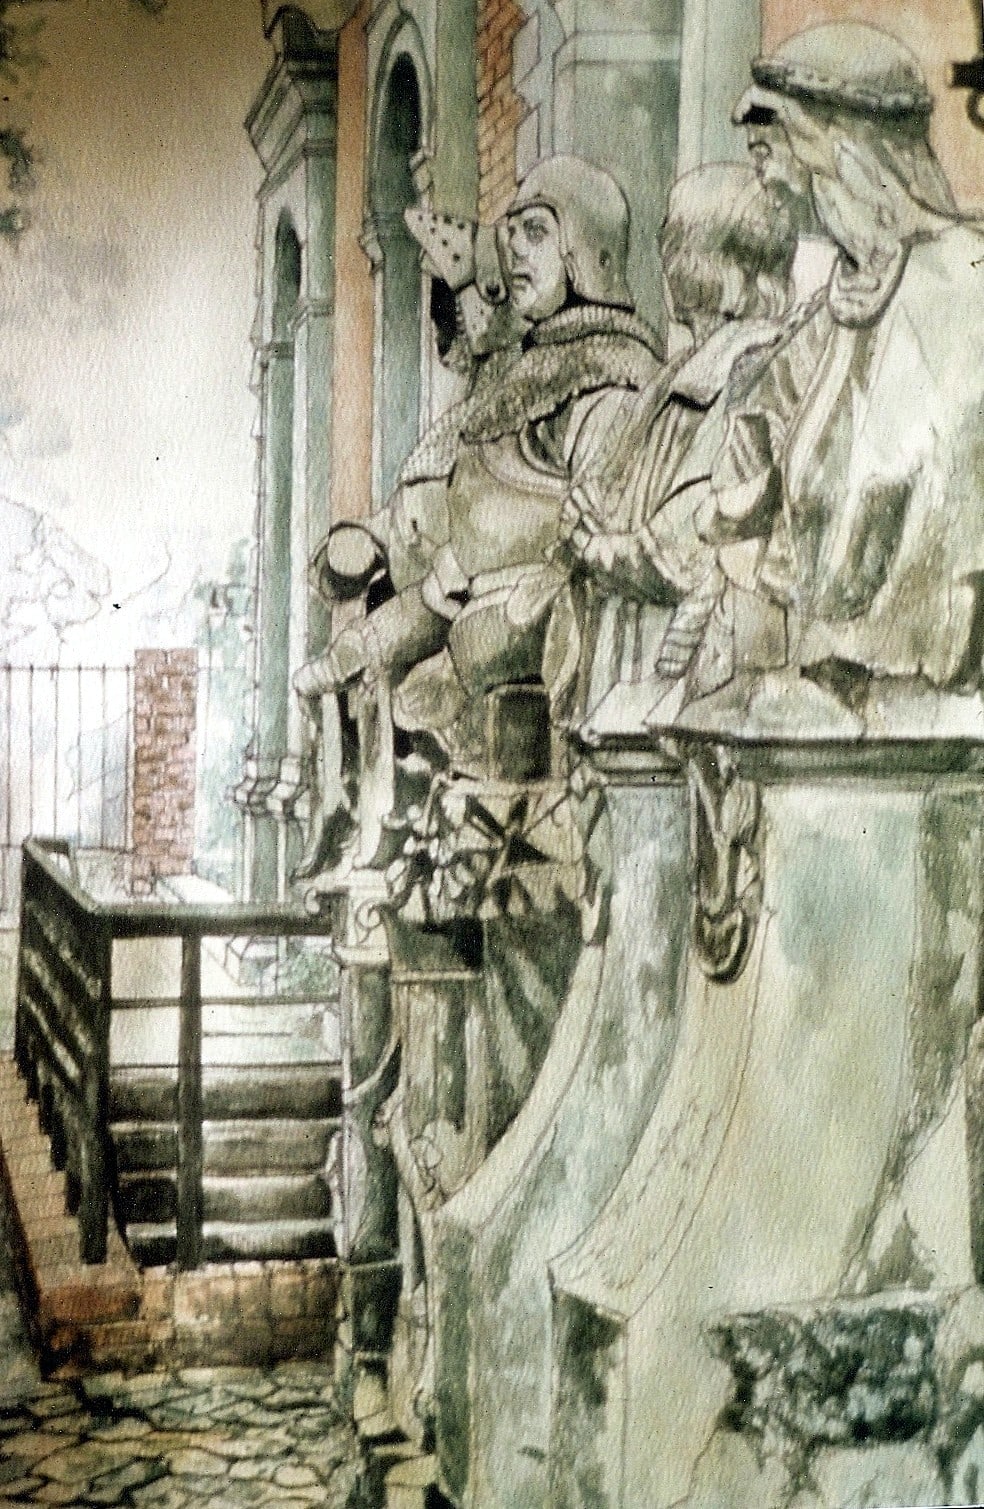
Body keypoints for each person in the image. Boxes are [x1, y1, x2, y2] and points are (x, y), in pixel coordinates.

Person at [293, 155, 662, 880]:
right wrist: (372, 557)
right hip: (459, 601)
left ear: (586, 249)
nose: (516, 247)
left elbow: (589, 535)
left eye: (536, 231)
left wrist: (471, 608)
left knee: (401, 689)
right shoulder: (523, 375)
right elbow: (447, 513)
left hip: (518, 630)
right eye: (513, 231)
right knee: (344, 667)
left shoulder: (613, 382)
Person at [703, 22, 984, 701]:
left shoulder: (958, 286)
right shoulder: (841, 300)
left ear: (842, 154)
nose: (764, 179)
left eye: (773, 149)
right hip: (834, 688)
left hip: (923, 696)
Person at [555, 161, 799, 715]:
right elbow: (606, 484)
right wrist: (584, 511)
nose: (663, 259)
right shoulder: (683, 372)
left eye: (673, 238)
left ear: (702, 258)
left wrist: (593, 546)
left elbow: (687, 540)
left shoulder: (748, 368)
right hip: (633, 642)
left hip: (678, 659)